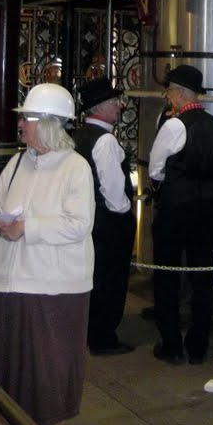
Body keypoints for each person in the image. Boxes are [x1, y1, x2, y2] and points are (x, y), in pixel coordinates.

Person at [0, 83, 95, 425]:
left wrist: (28, 228)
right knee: (3, 383)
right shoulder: (16, 163)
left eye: (27, 117)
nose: (21, 124)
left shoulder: (75, 168)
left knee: (48, 388)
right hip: (5, 287)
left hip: (52, 294)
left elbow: (79, 225)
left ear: (48, 123)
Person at [148, 64, 213, 365]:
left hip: (175, 210)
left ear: (178, 94)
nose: (168, 97)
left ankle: (171, 344)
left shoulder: (174, 125)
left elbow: (155, 168)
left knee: (166, 275)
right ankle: (197, 346)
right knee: (202, 277)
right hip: (208, 211)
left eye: (169, 91)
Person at [73, 77, 136, 356]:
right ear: (101, 107)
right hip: (108, 222)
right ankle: (103, 336)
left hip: (87, 217)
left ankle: (88, 330)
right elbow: (112, 189)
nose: (119, 107)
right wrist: (125, 212)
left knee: (92, 276)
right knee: (110, 279)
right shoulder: (106, 141)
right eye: (114, 102)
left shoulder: (77, 136)